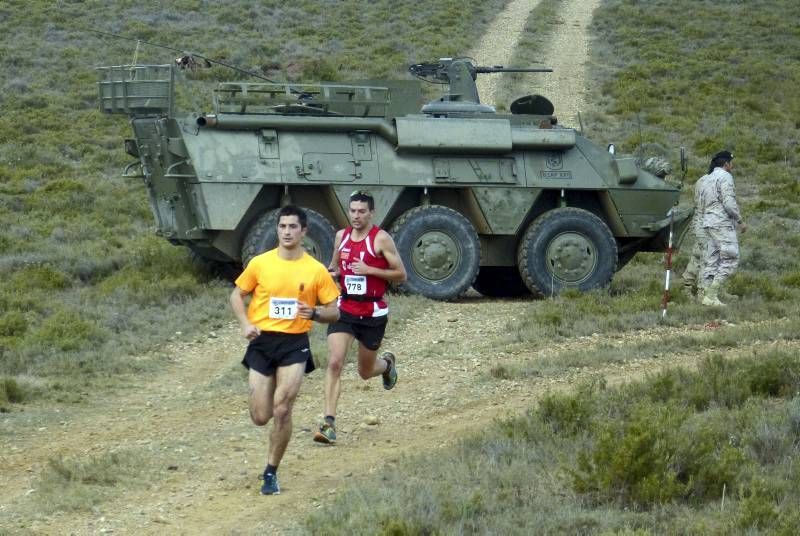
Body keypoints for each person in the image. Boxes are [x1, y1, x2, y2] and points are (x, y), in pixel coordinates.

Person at [229, 205, 340, 495]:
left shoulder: (315, 270)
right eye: (283, 226)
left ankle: (270, 471)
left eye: (293, 227)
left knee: (282, 409)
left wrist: (314, 313)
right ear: (277, 230)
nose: (287, 232)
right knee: (260, 416)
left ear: (304, 231)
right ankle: (271, 421)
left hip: (294, 343)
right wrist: (244, 324)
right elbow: (236, 295)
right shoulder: (260, 263)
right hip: (263, 342)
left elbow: (334, 312)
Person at [313, 190, 407, 445]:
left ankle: (387, 365)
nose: (356, 215)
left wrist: (370, 270)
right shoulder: (341, 237)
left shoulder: (381, 239)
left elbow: (401, 274)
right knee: (334, 363)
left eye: (361, 211)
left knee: (365, 371)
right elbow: (335, 268)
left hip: (372, 312)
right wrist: (327, 276)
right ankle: (328, 422)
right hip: (345, 310)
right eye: (352, 210)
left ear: (371, 213)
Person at [697, 150, 746, 306]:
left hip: (708, 222)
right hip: (721, 222)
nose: (732, 166)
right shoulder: (725, 177)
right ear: (726, 163)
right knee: (731, 257)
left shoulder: (706, 179)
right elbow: (729, 203)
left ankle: (705, 295)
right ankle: (711, 295)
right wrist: (740, 221)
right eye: (731, 163)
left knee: (712, 258)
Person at [681, 171, 714, 300]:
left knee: (697, 256)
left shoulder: (701, 180)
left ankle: (687, 286)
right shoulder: (715, 182)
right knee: (707, 258)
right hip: (708, 224)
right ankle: (703, 292)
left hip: (699, 223)